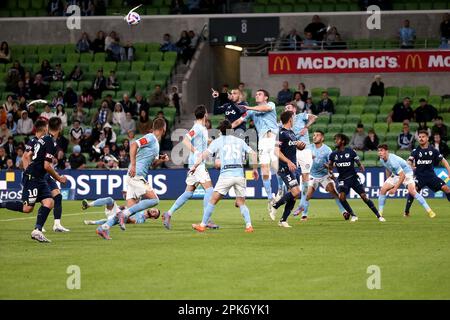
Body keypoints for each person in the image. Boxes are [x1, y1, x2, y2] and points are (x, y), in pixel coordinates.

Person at [0, 118, 67, 242]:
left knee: (49, 202)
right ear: (60, 128)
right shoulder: (50, 142)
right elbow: (46, 166)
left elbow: (33, 157)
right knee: (27, 208)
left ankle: (37, 230)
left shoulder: (43, 139)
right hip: (33, 177)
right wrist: (59, 178)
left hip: (39, 177)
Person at [191, 119, 259, 233]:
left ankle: (202, 225)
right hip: (239, 175)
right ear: (231, 130)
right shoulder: (240, 141)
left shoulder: (217, 141)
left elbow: (203, 155)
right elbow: (253, 153)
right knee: (241, 203)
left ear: (220, 131)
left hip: (226, 175)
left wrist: (194, 166)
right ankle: (249, 226)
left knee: (212, 200)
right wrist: (255, 169)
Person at [162, 105, 216, 229]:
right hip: (197, 164)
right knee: (209, 190)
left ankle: (168, 213)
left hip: (195, 163)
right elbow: (186, 140)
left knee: (188, 192)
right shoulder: (197, 127)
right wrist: (197, 152)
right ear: (205, 114)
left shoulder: (202, 128)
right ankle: (206, 220)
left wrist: (213, 143)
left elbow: (205, 141)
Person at [231, 89, 279, 218]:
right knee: (264, 170)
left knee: (278, 169)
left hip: (275, 140)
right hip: (263, 141)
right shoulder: (251, 111)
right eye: (256, 94)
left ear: (266, 97)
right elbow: (239, 121)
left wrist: (249, 107)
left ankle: (280, 191)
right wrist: (227, 128)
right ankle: (270, 199)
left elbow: (264, 109)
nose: (257, 95)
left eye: (260, 94)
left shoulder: (271, 105)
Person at [115, 118, 170, 231]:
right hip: (136, 174)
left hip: (135, 175)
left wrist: (161, 159)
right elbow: (134, 145)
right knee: (155, 200)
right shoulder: (150, 137)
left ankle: (104, 227)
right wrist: (134, 165)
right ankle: (123, 214)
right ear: (163, 129)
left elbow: (152, 164)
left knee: (132, 211)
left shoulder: (156, 144)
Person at [294, 130, 349, 220]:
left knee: (333, 192)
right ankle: (304, 215)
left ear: (322, 138)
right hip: (312, 175)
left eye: (317, 135)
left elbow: (332, 164)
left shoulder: (327, 150)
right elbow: (301, 158)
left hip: (324, 175)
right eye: (314, 135)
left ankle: (344, 211)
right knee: (308, 195)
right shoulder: (308, 148)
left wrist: (328, 167)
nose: (314, 137)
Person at [328, 134, 383, 222]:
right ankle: (353, 215)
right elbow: (330, 166)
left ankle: (378, 215)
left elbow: (358, 162)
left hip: (353, 178)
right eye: (335, 139)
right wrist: (330, 171)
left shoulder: (350, 151)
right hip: (342, 179)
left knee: (364, 196)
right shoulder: (333, 154)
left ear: (342, 141)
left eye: (337, 139)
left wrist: (361, 166)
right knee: (341, 197)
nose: (335, 141)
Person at [377, 144, 435, 218]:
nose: (379, 153)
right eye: (378, 151)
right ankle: (380, 213)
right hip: (396, 174)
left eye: (381, 150)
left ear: (386, 151)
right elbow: (387, 169)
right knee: (383, 189)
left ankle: (430, 211)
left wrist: (394, 188)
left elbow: (402, 176)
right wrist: (389, 181)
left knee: (412, 191)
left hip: (406, 173)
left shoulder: (393, 161)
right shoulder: (381, 159)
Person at [268, 111, 305, 227]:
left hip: (293, 167)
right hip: (285, 167)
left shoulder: (292, 133)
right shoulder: (281, 133)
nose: (293, 120)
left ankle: (283, 220)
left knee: (294, 195)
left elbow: (291, 148)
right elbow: (276, 151)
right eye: (293, 118)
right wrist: (288, 161)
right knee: (296, 191)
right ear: (290, 119)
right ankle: (275, 205)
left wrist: (299, 146)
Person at [403, 130, 450, 216]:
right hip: (419, 176)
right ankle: (406, 212)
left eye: (423, 137)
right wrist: (409, 166)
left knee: (446, 188)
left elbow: (444, 161)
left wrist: (449, 171)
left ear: (427, 138)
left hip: (431, 176)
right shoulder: (415, 151)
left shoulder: (433, 150)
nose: (421, 139)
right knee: (413, 190)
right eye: (419, 137)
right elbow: (409, 161)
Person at [284, 103, 317, 218]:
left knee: (305, 177)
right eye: (285, 108)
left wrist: (306, 127)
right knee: (291, 177)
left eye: (288, 107)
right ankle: (287, 201)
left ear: (294, 109)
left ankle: (302, 204)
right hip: (293, 152)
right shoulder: (285, 123)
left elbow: (314, 117)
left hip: (305, 150)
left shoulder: (301, 116)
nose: (286, 109)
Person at [81, 197, 160, 240]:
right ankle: (88, 205)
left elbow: (130, 220)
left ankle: (103, 228)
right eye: (155, 210)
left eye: (155, 213)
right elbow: (126, 207)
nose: (154, 210)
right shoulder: (141, 208)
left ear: (153, 218)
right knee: (109, 200)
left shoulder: (141, 220)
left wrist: (94, 222)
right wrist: (122, 207)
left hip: (118, 216)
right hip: (117, 211)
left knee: (113, 219)